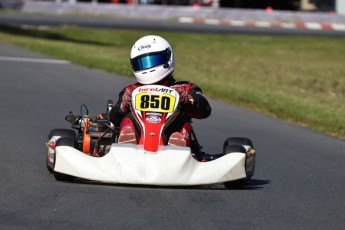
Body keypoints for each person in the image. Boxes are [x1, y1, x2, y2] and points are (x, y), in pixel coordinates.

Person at [109, 35, 211, 146]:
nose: (148, 67)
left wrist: (188, 100)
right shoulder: (131, 91)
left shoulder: (184, 88)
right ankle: (128, 140)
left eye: (154, 60)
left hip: (171, 132)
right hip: (139, 138)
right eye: (141, 63)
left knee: (181, 121)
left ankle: (178, 144)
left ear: (168, 58)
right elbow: (114, 118)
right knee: (129, 119)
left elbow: (205, 110)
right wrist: (123, 106)